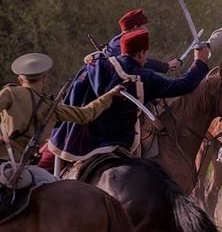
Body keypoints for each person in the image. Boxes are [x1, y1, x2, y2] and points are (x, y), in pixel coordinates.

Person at [48, 29, 210, 162]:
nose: (146, 57)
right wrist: (200, 61)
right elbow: (184, 85)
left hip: (78, 137)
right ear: (140, 54)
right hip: (113, 142)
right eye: (145, 53)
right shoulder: (144, 77)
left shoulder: (98, 63)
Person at [0, 53, 123, 172]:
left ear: (20, 79)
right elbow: (86, 114)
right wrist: (110, 95)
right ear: (44, 78)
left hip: (4, 159)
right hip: (27, 167)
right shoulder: (51, 107)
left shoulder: (10, 93)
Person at [104, 8, 182, 74]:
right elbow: (140, 61)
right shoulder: (119, 45)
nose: (146, 30)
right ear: (135, 28)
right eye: (144, 26)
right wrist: (166, 66)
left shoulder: (121, 41)